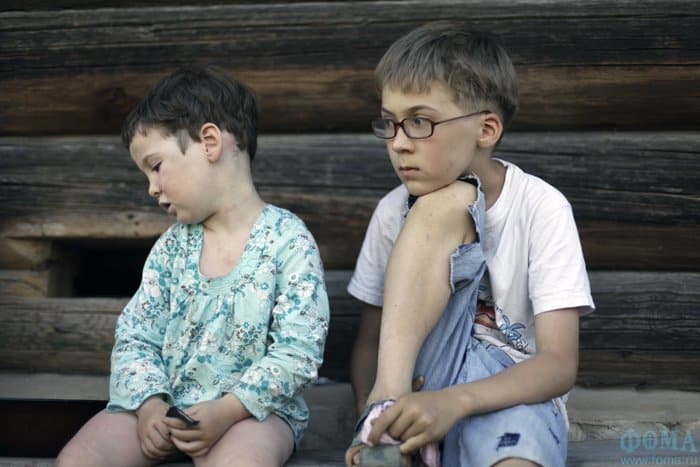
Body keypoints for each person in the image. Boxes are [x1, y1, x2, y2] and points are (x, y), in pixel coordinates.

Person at [345, 22, 594, 467]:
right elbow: (371, 342)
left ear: (486, 129)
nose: (398, 143)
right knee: (444, 203)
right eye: (390, 123)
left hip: (510, 394)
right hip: (417, 388)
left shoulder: (541, 207)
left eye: (419, 121)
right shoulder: (392, 210)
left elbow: (558, 364)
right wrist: (375, 415)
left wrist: (454, 403)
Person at [56, 65, 329, 467]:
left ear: (210, 142)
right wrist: (150, 405)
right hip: (168, 405)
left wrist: (227, 410)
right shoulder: (172, 249)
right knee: (81, 456)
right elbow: (136, 336)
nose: (152, 188)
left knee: (243, 460)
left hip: (252, 413)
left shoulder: (288, 241)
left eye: (156, 166)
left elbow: (298, 350)